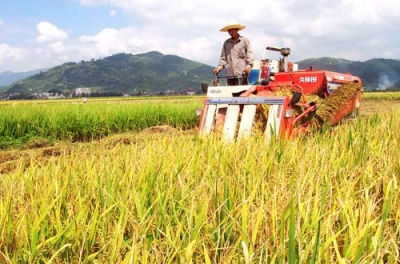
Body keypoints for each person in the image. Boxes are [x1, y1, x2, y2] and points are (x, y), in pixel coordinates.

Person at [213, 19, 254, 86]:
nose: (230, 32)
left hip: (242, 75)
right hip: (230, 75)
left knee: (242, 94)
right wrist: (219, 67)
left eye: (232, 30)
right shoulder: (226, 43)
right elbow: (223, 59)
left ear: (237, 29)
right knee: (231, 94)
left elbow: (250, 54)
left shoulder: (245, 41)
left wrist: (249, 65)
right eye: (228, 30)